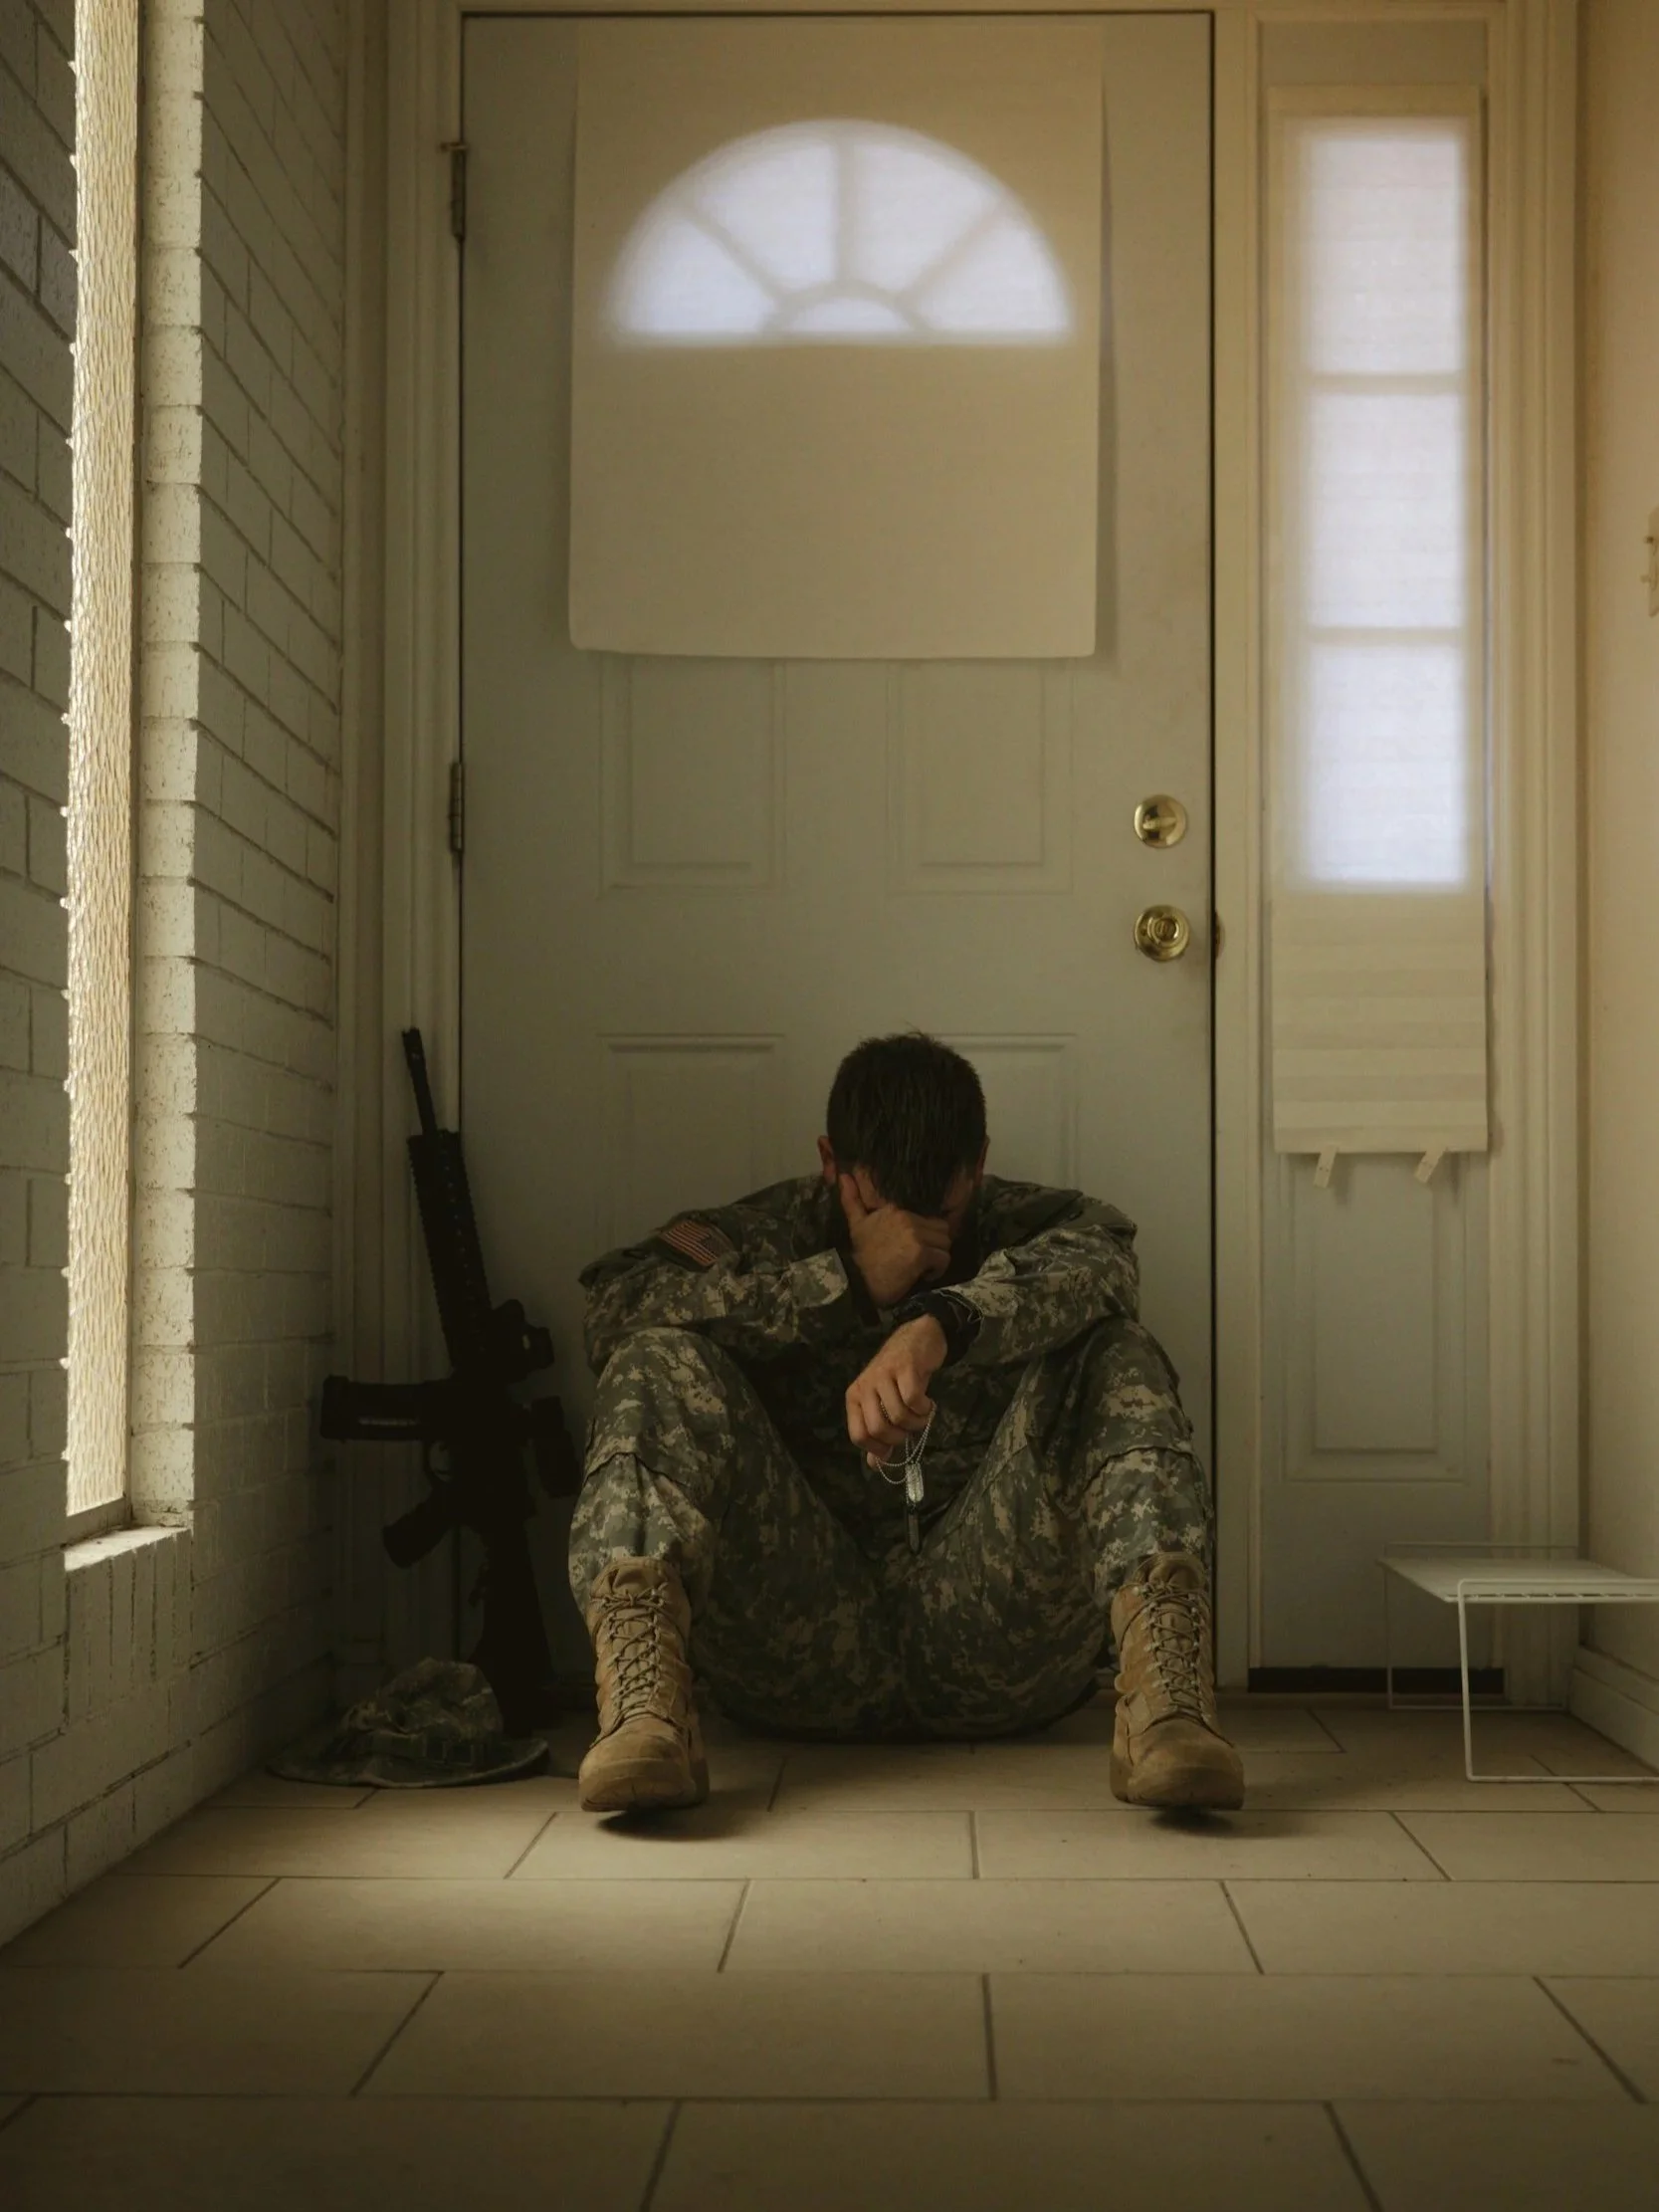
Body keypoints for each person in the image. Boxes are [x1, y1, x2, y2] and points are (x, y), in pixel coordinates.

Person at [567, 1032, 1244, 1815]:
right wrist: (844, 1282)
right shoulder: (765, 1234)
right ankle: (646, 1717)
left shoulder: (1038, 1224)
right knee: (653, 1359)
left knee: (1114, 1349)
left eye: (944, 1212)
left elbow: (1104, 1270)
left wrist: (941, 1322)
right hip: (796, 1636)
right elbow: (611, 1311)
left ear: (978, 1162)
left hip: (996, 1633)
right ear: (832, 1162)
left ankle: (1168, 1716)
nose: (924, 1239)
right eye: (885, 1205)